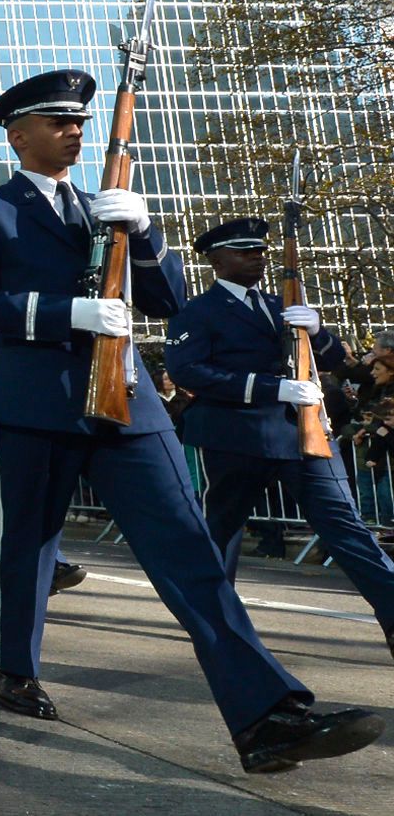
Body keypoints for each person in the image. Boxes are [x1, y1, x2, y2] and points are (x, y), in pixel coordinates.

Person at [0, 68, 381, 772]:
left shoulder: (104, 207)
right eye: (58, 123)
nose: (74, 131)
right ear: (18, 137)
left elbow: (170, 300)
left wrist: (143, 231)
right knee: (28, 541)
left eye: (79, 122)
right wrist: (63, 313)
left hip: (129, 405)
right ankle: (11, 666)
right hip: (35, 400)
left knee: (191, 554)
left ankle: (267, 716)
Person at [165, 217, 394, 658]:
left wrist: (318, 330)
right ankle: (212, 621)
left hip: (302, 435)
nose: (257, 256)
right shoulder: (198, 312)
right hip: (236, 436)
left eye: (260, 250)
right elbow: (188, 371)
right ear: (216, 260)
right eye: (243, 250)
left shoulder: (282, 305)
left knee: (347, 528)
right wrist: (272, 387)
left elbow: (338, 363)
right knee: (221, 532)